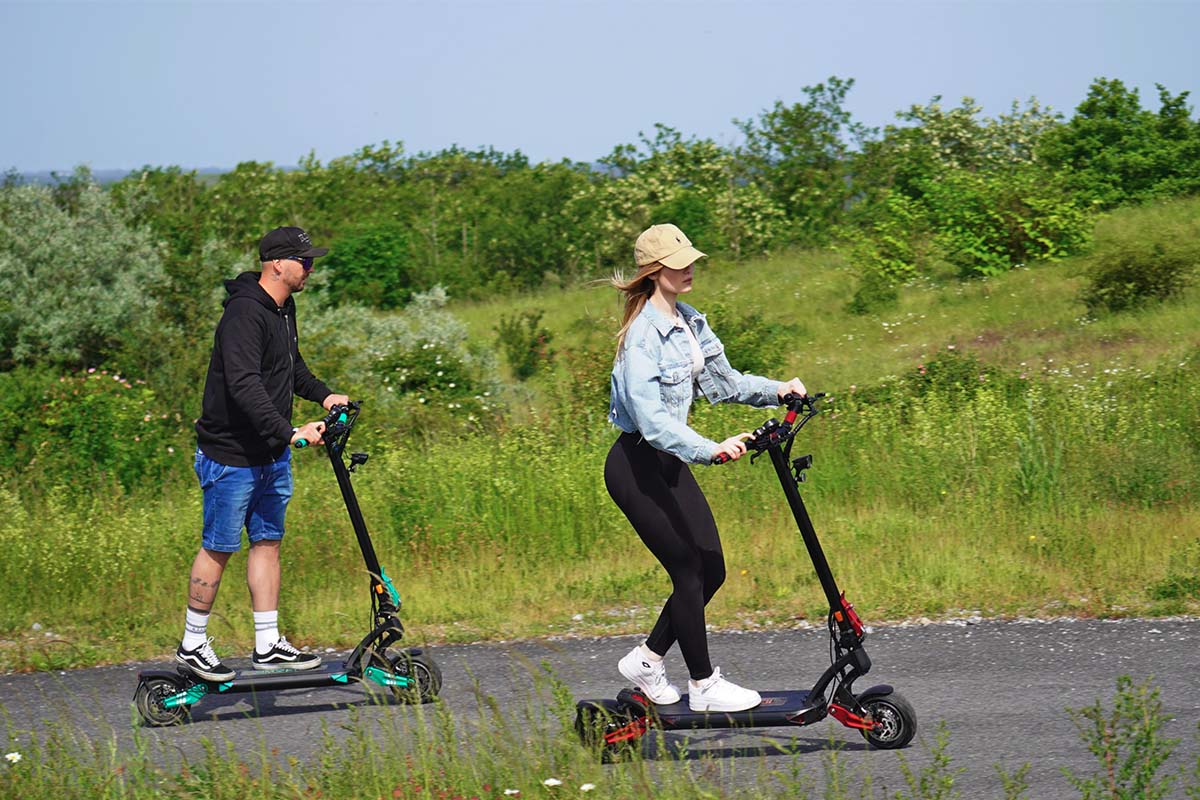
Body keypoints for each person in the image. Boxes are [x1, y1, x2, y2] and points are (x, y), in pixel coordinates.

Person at [606, 223, 807, 713]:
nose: (689, 268)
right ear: (655, 271)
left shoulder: (690, 322)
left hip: (669, 460)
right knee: (688, 570)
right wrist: (709, 449)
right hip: (637, 464)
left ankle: (648, 660)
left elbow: (726, 382)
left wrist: (779, 388)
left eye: (690, 259)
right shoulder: (642, 337)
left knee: (711, 567)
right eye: (678, 262)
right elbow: (652, 420)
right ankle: (704, 685)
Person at [175, 226, 349, 681]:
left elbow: (291, 368)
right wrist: (291, 432)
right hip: (231, 455)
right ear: (278, 264)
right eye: (304, 261)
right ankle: (193, 643)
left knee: (268, 542)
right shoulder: (243, 315)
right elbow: (245, 385)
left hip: (271, 453)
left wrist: (326, 397)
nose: (311, 268)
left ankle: (267, 643)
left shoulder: (283, 307)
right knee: (219, 546)